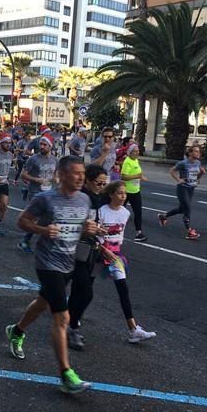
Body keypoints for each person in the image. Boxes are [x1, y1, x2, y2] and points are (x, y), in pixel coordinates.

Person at [6, 155, 99, 394]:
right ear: (62, 174)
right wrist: (42, 230)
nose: (81, 177)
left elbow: (81, 230)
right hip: (47, 263)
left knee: (41, 303)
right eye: (76, 173)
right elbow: (22, 221)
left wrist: (89, 230)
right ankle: (66, 375)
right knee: (62, 318)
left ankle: (16, 331)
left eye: (83, 173)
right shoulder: (45, 199)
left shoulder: (84, 200)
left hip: (70, 262)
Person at [96, 181, 156, 343]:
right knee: (84, 291)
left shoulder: (125, 213)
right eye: (120, 193)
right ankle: (72, 321)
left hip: (115, 256)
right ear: (111, 194)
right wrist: (102, 249)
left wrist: (114, 251)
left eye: (125, 194)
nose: (124, 196)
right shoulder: (101, 212)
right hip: (97, 254)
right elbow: (94, 235)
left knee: (123, 289)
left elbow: (119, 237)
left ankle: (133, 329)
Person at [66, 164, 108, 350]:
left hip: (94, 250)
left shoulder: (100, 198)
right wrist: (87, 229)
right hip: (76, 248)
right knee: (85, 293)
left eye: (104, 184)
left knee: (80, 289)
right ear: (89, 182)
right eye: (99, 183)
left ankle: (69, 321)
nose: (102, 187)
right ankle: (72, 327)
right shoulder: (81, 198)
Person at [17, 134, 58, 253]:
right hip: (35, 192)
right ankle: (25, 240)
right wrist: (36, 180)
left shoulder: (54, 159)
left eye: (45, 144)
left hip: (49, 193)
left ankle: (44, 242)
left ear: (50, 146)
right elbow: (23, 174)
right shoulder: (33, 159)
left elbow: (55, 174)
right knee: (33, 219)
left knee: (48, 218)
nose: (42, 146)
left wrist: (57, 179)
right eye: (41, 144)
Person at [158, 145, 205, 240]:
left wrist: (200, 175)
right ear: (190, 153)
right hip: (182, 188)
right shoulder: (183, 163)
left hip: (191, 188)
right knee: (187, 209)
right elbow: (172, 171)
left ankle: (163, 216)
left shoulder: (198, 163)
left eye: (199, 151)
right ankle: (189, 231)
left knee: (181, 209)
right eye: (196, 151)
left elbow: (197, 176)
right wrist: (178, 179)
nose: (198, 153)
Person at [120, 144, 148, 242]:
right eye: (135, 151)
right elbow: (123, 177)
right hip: (126, 192)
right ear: (130, 152)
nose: (137, 152)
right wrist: (137, 176)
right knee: (120, 212)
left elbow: (137, 173)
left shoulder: (135, 160)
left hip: (135, 191)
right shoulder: (127, 162)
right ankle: (116, 230)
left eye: (138, 151)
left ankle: (139, 233)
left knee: (138, 212)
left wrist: (140, 176)